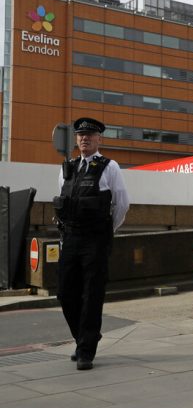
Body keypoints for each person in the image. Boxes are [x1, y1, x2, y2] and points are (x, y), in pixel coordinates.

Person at [53, 117, 129, 371]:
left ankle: (85, 350)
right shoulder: (69, 166)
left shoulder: (109, 167)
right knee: (65, 293)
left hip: (95, 239)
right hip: (71, 238)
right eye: (81, 135)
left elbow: (121, 205)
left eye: (90, 135)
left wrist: (106, 230)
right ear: (76, 139)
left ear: (99, 139)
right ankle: (85, 337)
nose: (84, 138)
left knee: (91, 295)